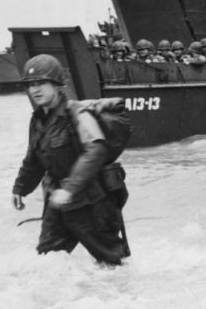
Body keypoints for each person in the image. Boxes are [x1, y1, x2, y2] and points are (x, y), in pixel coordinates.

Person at [11, 55, 129, 266]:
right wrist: (20, 188)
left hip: (93, 202)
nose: (35, 89)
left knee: (111, 263)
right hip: (57, 203)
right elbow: (33, 160)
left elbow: (96, 150)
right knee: (48, 260)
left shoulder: (77, 113)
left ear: (57, 85)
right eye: (30, 85)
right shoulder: (37, 120)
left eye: (41, 83)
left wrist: (70, 189)